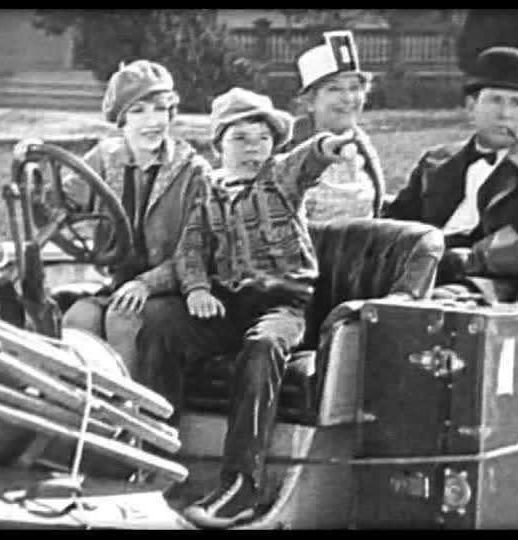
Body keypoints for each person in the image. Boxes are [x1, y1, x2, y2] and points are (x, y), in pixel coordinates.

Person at [145, 87, 359, 528]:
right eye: (240, 139)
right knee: (160, 323)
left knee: (262, 347)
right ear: (218, 146)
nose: (252, 149)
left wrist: (328, 147)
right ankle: (153, 458)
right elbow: (190, 249)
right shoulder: (208, 190)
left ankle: (242, 483)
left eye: (263, 139)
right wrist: (196, 290)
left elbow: (307, 159)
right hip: (227, 305)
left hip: (283, 305)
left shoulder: (279, 179)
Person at [383, 46, 518, 300]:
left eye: (516, 103)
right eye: (495, 100)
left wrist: (480, 259)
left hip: (489, 288)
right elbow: (394, 224)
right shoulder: (435, 163)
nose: (505, 114)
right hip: (418, 273)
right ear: (471, 106)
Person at [55, 60, 212, 378]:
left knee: (123, 320)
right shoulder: (104, 158)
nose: (152, 122)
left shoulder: (193, 171)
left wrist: (146, 284)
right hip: (118, 283)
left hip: (175, 287)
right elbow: (65, 201)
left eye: (161, 109)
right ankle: (83, 400)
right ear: (121, 119)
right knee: (78, 318)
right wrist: (41, 195)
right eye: (138, 111)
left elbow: (199, 251)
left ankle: (127, 405)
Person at [285, 30, 386, 223]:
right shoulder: (289, 150)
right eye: (334, 89)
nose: (348, 98)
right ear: (309, 102)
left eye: (355, 88)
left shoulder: (362, 146)